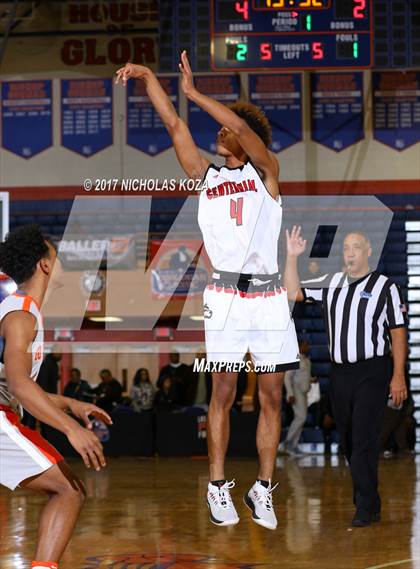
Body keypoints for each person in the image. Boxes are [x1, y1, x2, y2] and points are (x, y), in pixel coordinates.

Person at [115, 52, 299, 531]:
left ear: (243, 135)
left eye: (226, 129)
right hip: (224, 296)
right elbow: (175, 125)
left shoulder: (265, 171)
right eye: (220, 127)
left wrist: (198, 94)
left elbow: (239, 127)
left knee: (273, 396)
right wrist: (152, 79)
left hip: (269, 295)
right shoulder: (206, 177)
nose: (219, 133)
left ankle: (263, 488)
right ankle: (217, 486)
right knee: (223, 387)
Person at [0, 225, 111, 569]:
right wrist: (71, 428)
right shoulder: (20, 313)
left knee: (68, 490)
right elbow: (18, 384)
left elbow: (14, 383)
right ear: (44, 265)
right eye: (56, 254)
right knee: (69, 490)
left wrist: (70, 404)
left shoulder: (21, 309)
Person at [284, 226, 408, 527]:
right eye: (346, 248)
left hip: (372, 370)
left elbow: (398, 332)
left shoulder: (385, 287)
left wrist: (398, 375)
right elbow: (293, 292)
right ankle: (371, 500)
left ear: (368, 251)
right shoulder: (332, 282)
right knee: (350, 443)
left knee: (364, 438)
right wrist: (291, 257)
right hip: (340, 374)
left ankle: (364, 507)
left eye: (355, 247)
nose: (349, 252)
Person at [278, 340, 314, 456]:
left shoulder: (306, 359)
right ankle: (287, 442)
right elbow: (287, 377)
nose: (308, 347)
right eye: (305, 345)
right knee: (301, 417)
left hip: (303, 393)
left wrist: (311, 380)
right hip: (296, 392)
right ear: (299, 347)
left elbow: (303, 376)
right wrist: (290, 394)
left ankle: (292, 446)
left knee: (300, 418)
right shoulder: (294, 358)